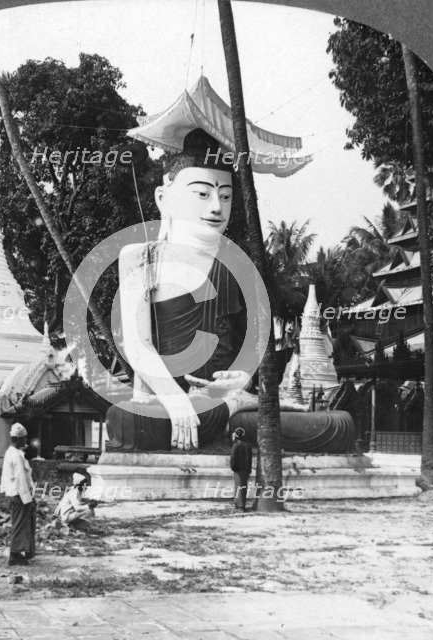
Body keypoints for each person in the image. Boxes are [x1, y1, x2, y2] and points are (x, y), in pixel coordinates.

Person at [106, 129, 355, 454]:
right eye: (202, 194)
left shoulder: (235, 264)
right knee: (125, 419)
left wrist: (239, 384)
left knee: (339, 425)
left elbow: (243, 352)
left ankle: (230, 414)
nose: (216, 208)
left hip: (224, 401)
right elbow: (138, 348)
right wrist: (175, 397)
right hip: (168, 405)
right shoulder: (142, 256)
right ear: (162, 198)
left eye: (225, 196)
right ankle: (226, 416)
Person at [0, 422, 36, 566]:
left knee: (22, 523)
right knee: (20, 524)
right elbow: (21, 480)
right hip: (19, 495)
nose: (25, 441)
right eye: (24, 438)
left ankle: (20, 552)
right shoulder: (16, 456)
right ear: (19, 439)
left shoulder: (13, 453)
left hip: (16, 494)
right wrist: (28, 500)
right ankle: (14, 555)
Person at [230, 427, 253, 511]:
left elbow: (233, 458)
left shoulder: (235, 445)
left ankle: (239, 505)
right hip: (246, 470)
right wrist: (249, 469)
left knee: (238, 487)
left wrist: (233, 468)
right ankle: (241, 504)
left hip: (238, 470)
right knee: (243, 487)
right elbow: (250, 459)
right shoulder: (248, 446)